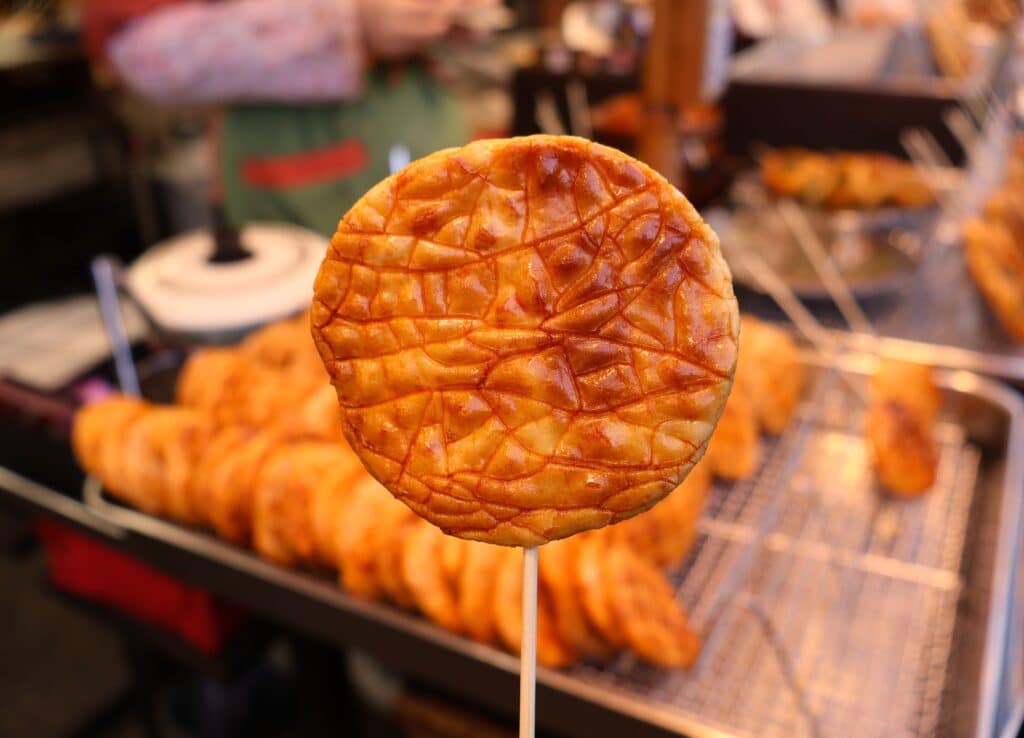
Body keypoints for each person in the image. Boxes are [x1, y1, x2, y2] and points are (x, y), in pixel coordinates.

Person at [82, 0, 496, 235]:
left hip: (428, 133)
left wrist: (457, 15)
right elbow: (143, 56)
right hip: (298, 174)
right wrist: (345, 22)